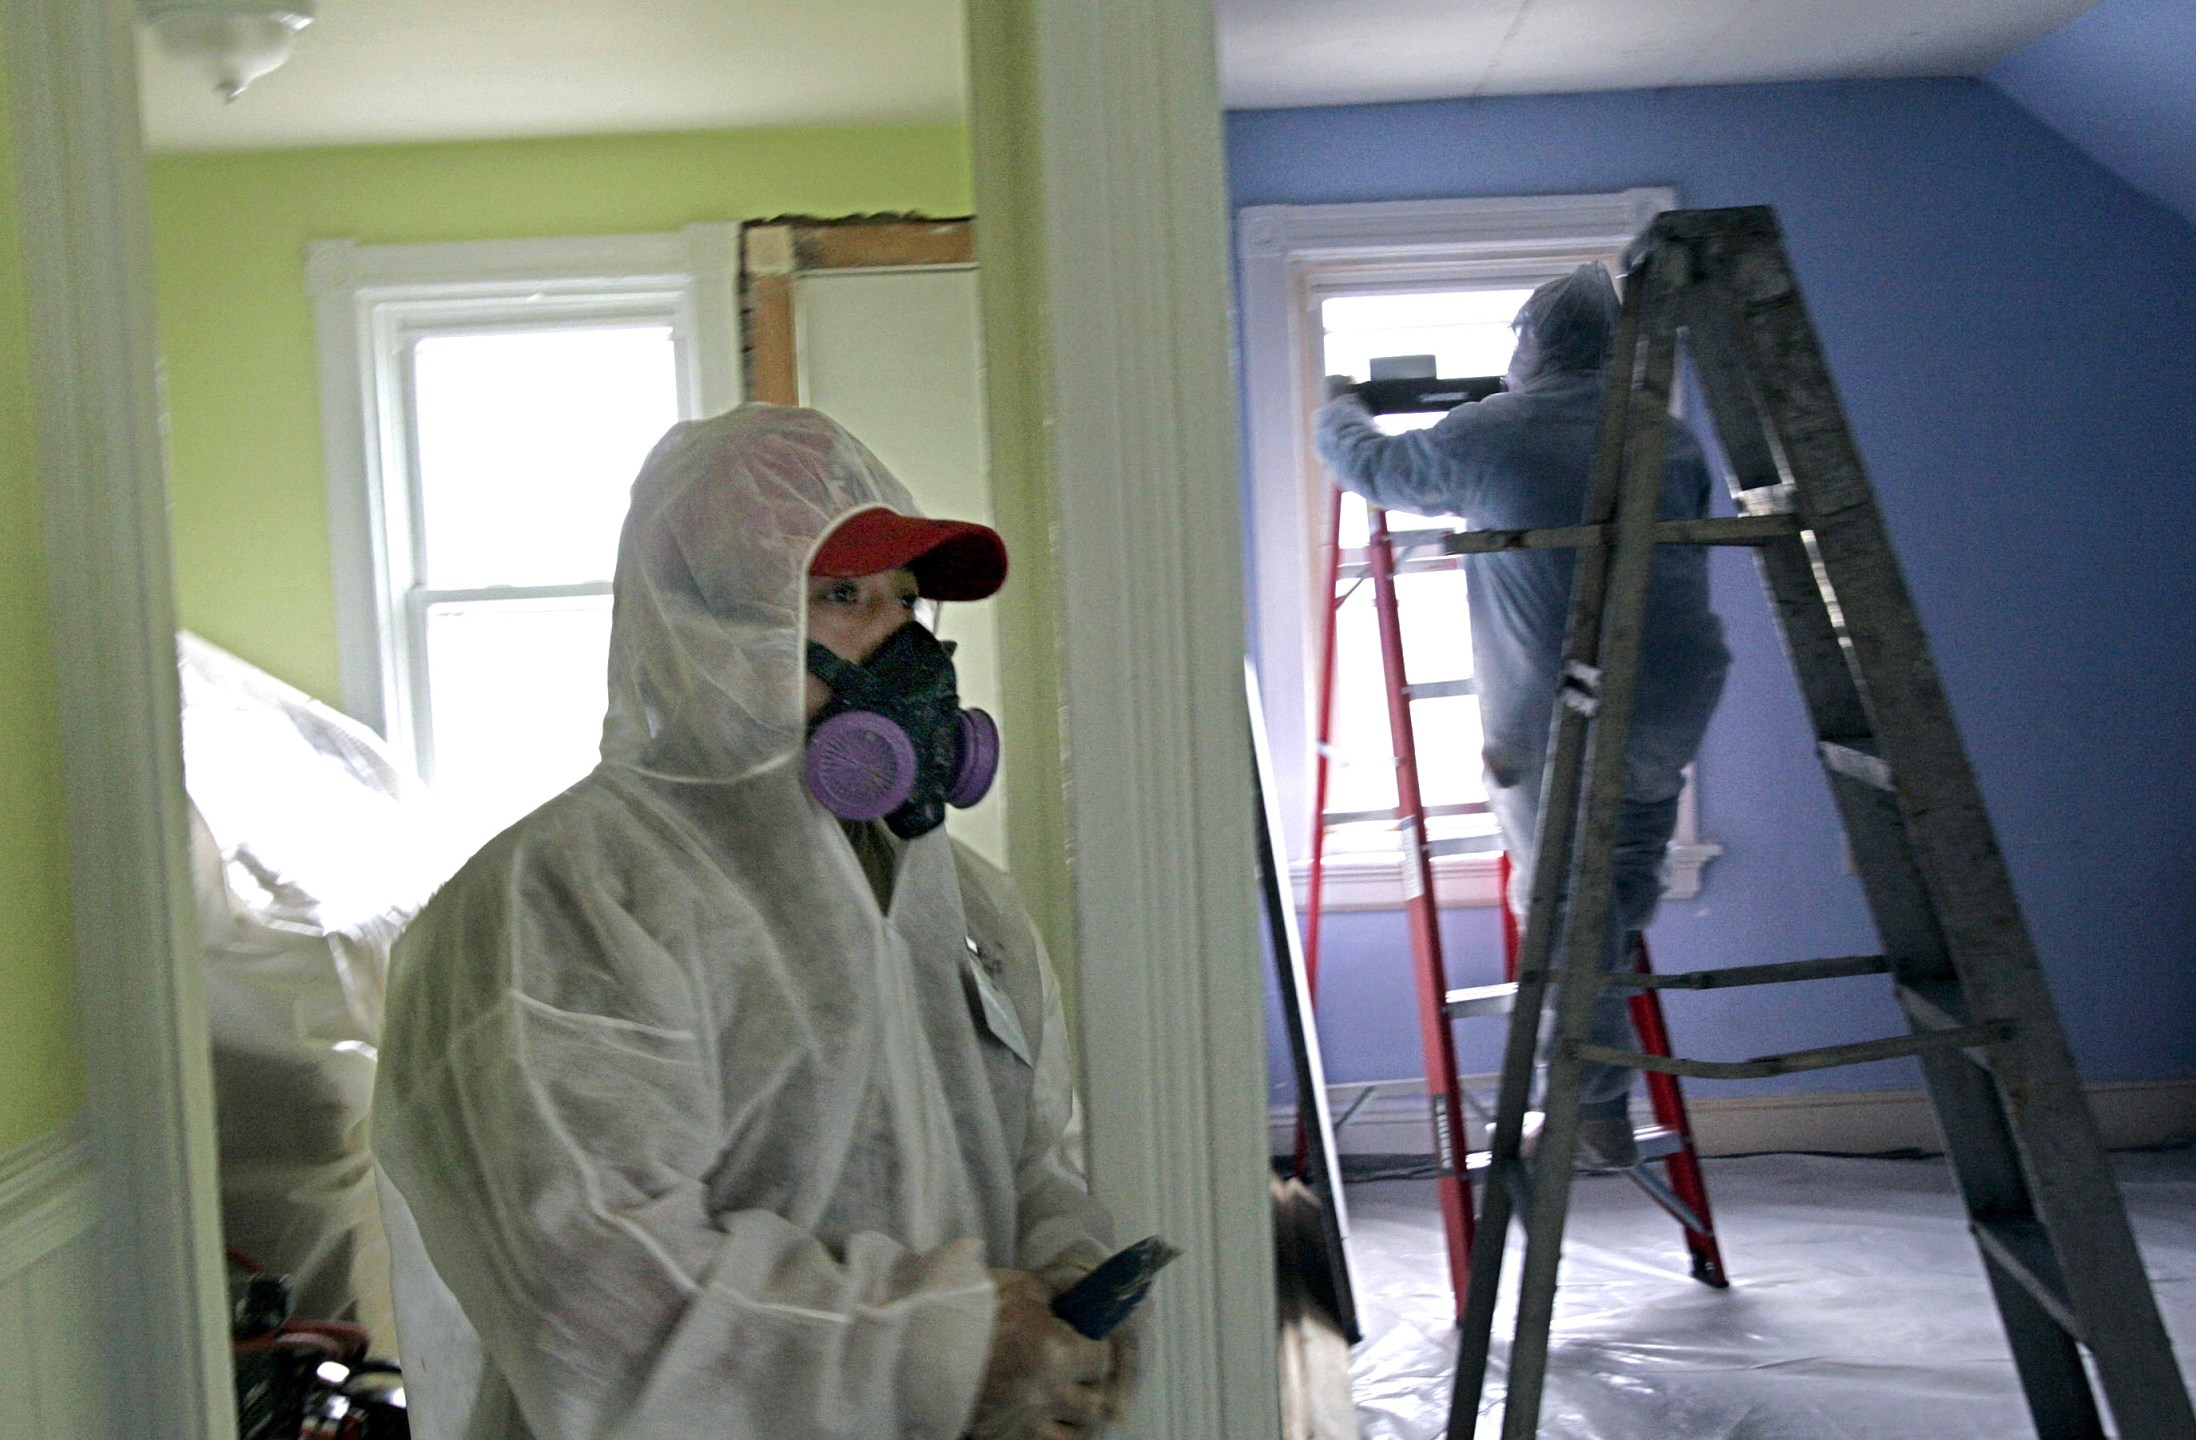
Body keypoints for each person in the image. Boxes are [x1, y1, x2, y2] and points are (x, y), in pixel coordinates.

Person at [373, 404, 1132, 1440]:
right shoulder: (560, 903)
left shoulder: (965, 902)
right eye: (840, 595)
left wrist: (1069, 1288)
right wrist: (947, 1346)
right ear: (709, 631)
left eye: (905, 597)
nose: (904, 642)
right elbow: (592, 1295)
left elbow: (1036, 1155)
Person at [1312, 263, 1732, 1168]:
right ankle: (1604, 1055)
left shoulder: (1493, 431)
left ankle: (1594, 1101)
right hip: (1677, 689)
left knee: (1565, 906)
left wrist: (1337, 405)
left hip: (1561, 707)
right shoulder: (1668, 434)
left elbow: (1374, 467)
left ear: (1533, 344)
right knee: (1617, 882)